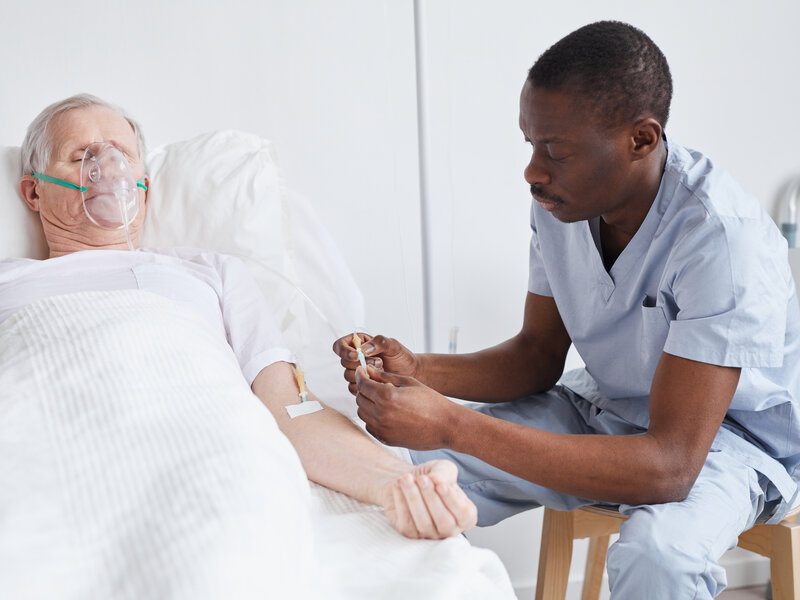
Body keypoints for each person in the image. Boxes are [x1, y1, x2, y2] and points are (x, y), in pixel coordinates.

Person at [333, 20, 800, 599]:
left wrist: (453, 421)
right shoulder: (563, 204)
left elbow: (669, 467)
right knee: (395, 467)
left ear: (641, 140)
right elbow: (536, 355)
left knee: (659, 557)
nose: (533, 171)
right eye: (530, 144)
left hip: (723, 443)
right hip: (606, 407)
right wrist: (419, 370)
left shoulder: (722, 240)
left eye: (555, 150)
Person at [5, 93, 477, 541]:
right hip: (49, 466)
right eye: (82, 155)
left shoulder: (210, 272)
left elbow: (292, 411)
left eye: (123, 157)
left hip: (204, 463)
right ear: (33, 192)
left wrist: (396, 481)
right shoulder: (9, 283)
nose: (108, 169)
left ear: (143, 189)